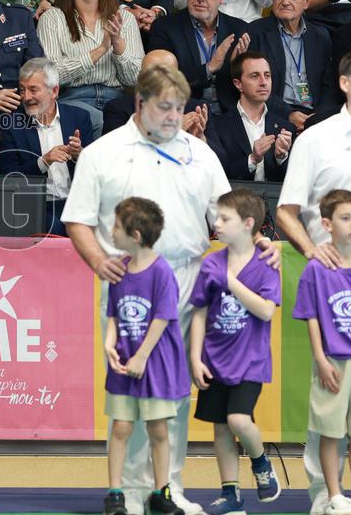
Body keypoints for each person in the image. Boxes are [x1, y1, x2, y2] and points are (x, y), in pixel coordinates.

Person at [63, 63, 278, 515]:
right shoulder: (102, 153)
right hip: (127, 284)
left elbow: (230, 215)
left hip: (185, 278)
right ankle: (128, 492)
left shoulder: (200, 155)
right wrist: (100, 260)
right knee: (129, 391)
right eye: (164, 107)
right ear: (140, 103)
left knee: (174, 393)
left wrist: (262, 244)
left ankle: (168, 489)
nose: (173, 117)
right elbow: (77, 220)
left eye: (180, 108)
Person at [275, 48, 351, 515]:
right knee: (332, 390)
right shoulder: (316, 139)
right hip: (336, 281)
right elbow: (285, 210)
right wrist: (312, 249)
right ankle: (326, 494)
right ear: (343, 83)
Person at [188, 188, 282, 515]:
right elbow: (199, 312)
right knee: (221, 428)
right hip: (215, 360)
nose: (217, 223)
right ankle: (231, 492)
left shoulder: (266, 261)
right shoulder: (211, 263)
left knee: (239, 419)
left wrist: (231, 281)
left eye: (224, 218)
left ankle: (261, 462)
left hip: (250, 361)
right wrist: (195, 357)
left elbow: (267, 311)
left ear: (247, 223)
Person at [293, 189, 351, 515]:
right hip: (332, 361)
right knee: (330, 433)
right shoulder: (316, 269)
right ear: (327, 224)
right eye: (346, 218)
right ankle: (335, 495)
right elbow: (311, 315)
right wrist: (319, 356)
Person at [102, 196, 189, 515]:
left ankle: (161, 492)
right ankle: (115, 493)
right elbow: (114, 312)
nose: (111, 232)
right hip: (123, 364)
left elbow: (162, 318)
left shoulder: (161, 271)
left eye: (116, 227)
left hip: (155, 365)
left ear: (135, 235)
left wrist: (141, 357)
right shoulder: (119, 269)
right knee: (121, 427)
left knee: (158, 430)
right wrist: (110, 343)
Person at [37, 0, 143, 137]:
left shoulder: (124, 18)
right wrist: (100, 50)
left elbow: (135, 79)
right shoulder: (53, 18)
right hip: (73, 99)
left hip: (117, 99)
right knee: (102, 124)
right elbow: (50, 77)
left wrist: (118, 45)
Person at [0, 57, 94, 235]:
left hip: (77, 204)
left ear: (54, 91)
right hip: (37, 207)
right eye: (22, 90)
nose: (26, 97)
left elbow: (97, 171)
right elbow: (7, 176)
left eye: (33, 89)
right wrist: (44, 161)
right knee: (54, 229)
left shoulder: (79, 118)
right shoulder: (11, 124)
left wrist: (80, 155)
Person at [147, 0, 249, 112]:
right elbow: (161, 83)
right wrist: (209, 67)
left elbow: (252, 86)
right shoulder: (164, 28)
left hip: (230, 115)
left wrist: (237, 69)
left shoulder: (239, 29)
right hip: (184, 111)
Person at [247, 0, 338, 132]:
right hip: (275, 115)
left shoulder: (320, 36)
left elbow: (329, 87)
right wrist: (288, 114)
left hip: (315, 116)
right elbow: (253, 86)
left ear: (306, 2)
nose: (285, 1)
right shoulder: (256, 33)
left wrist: (317, 118)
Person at [206, 51, 294, 183]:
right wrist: (252, 159)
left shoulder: (286, 128)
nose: (263, 82)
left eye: (267, 75)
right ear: (238, 84)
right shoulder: (219, 127)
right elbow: (219, 176)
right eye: (255, 76)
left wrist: (281, 157)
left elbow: (294, 182)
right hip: (234, 201)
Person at [101, 49, 209, 138]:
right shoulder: (118, 108)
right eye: (151, 75)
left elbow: (221, 156)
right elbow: (114, 152)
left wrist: (200, 138)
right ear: (140, 77)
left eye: (166, 74)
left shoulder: (197, 109)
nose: (158, 80)